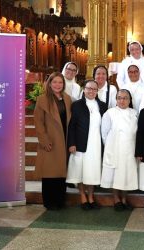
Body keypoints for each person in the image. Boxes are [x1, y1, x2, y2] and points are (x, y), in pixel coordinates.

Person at [66, 80, 108, 210]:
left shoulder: (102, 105)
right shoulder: (77, 105)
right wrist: (71, 143)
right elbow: (71, 126)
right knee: (79, 170)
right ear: (84, 90)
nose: (91, 91)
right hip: (80, 143)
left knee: (92, 171)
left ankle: (91, 196)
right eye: (89, 88)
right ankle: (83, 196)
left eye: (94, 89)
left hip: (96, 144)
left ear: (97, 91)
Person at [34, 72, 72, 210]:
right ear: (49, 83)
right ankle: (49, 202)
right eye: (54, 82)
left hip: (64, 140)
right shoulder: (42, 99)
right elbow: (38, 122)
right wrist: (43, 140)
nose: (57, 85)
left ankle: (60, 200)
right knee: (49, 174)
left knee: (61, 173)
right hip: (50, 140)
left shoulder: (67, 99)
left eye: (60, 82)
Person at [100, 89, 138, 211]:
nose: (122, 100)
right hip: (114, 148)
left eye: (125, 98)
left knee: (126, 174)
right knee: (115, 175)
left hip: (130, 149)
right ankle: (116, 199)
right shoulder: (109, 113)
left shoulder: (134, 113)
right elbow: (104, 133)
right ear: (116, 99)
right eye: (119, 98)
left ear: (129, 100)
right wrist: (110, 146)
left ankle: (124, 199)